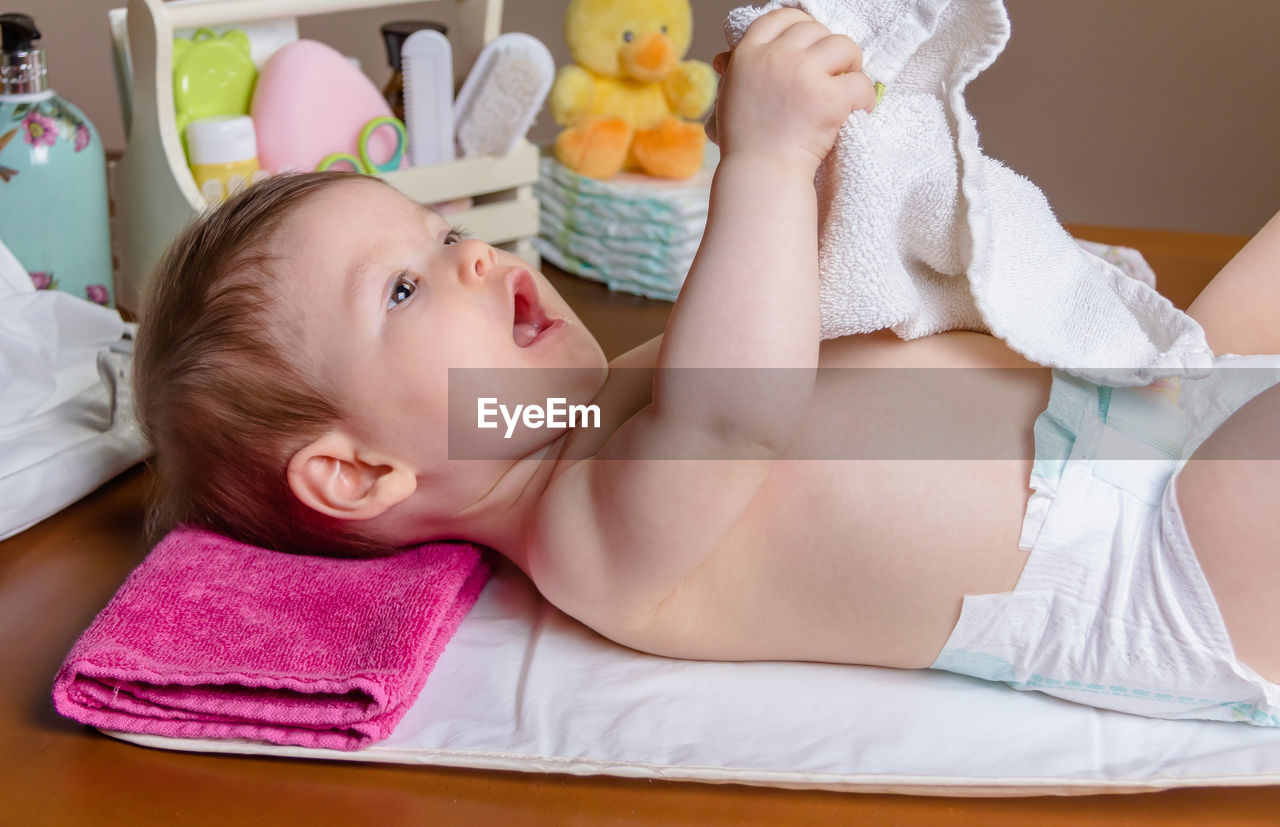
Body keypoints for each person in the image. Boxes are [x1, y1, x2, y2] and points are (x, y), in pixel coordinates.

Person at [134, 9, 1280, 724]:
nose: (472, 252)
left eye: (438, 235)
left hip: (1153, 395)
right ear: (356, 471)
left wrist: (828, 146)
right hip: (1157, 560)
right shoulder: (590, 537)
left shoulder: (597, 392)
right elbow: (737, 413)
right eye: (402, 288)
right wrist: (766, 155)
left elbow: (798, 301)